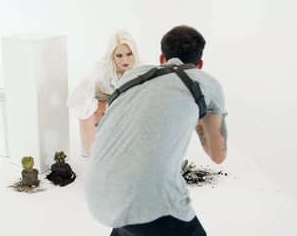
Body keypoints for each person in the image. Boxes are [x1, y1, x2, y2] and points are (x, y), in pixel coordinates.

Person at [84, 25, 228, 236]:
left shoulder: (133, 76)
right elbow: (217, 155)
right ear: (201, 64)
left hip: (97, 194)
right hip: (148, 205)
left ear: (162, 58)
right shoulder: (206, 83)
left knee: (131, 221)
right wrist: (199, 121)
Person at [67, 30, 141, 157]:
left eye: (129, 54)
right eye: (119, 56)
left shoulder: (140, 69)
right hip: (103, 111)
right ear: (112, 55)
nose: (125, 60)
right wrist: (105, 107)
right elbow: (78, 100)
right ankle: (94, 156)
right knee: (86, 112)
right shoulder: (101, 72)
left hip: (128, 112)